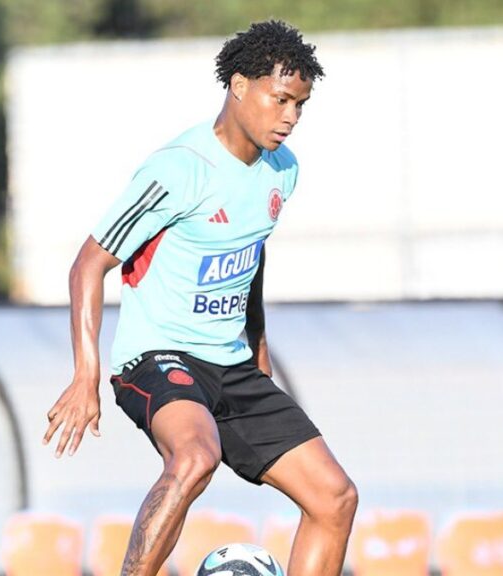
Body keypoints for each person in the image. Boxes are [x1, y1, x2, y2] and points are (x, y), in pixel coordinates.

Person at [42, 20, 357, 576]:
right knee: (194, 457)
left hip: (231, 366)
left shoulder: (282, 172)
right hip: (158, 358)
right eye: (281, 99)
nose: (290, 118)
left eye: (301, 106)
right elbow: (89, 265)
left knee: (334, 497)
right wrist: (84, 375)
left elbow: (250, 257)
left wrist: (257, 350)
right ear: (239, 85)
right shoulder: (178, 170)